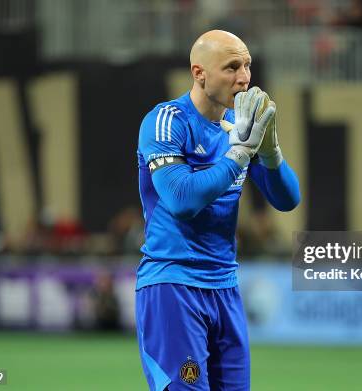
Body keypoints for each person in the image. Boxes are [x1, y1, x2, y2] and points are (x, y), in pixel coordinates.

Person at [135, 30, 300, 390]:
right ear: (199, 73)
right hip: (173, 285)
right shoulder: (166, 121)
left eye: (247, 66)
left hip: (225, 286)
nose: (244, 77)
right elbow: (181, 200)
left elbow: (287, 200)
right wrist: (238, 154)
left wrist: (270, 154)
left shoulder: (236, 129)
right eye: (231, 67)